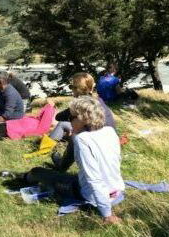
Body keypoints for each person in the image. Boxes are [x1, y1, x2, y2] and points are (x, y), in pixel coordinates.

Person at [63, 96, 125, 224]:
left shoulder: (82, 140)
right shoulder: (110, 131)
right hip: (117, 192)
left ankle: (25, 177)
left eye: (71, 117)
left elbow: (94, 179)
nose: (69, 120)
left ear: (83, 119)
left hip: (93, 196)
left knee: (41, 173)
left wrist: (107, 214)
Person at [30, 72, 116, 159]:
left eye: (71, 87)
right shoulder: (98, 99)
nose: (71, 89)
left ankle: (49, 154)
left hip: (93, 139)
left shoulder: (80, 104)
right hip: (110, 137)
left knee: (63, 125)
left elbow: (59, 117)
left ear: (76, 89)